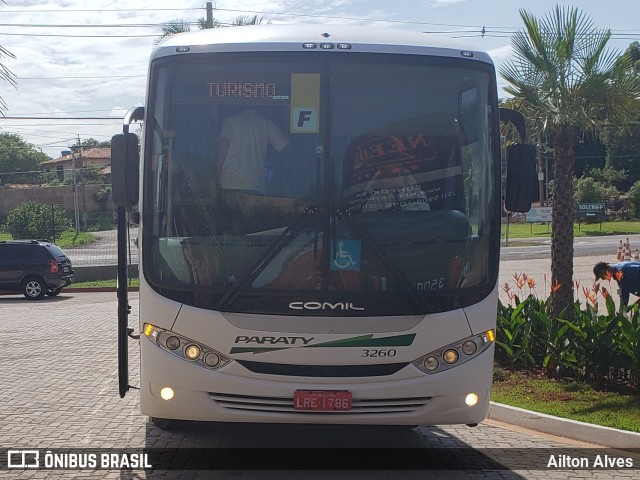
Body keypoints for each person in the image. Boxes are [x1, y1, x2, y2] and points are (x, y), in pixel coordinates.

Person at [216, 108, 290, 194]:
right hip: (255, 185)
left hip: (229, 184)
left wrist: (218, 172)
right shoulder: (265, 124)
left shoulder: (230, 121)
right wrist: (271, 161)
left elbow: (223, 144)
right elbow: (285, 146)